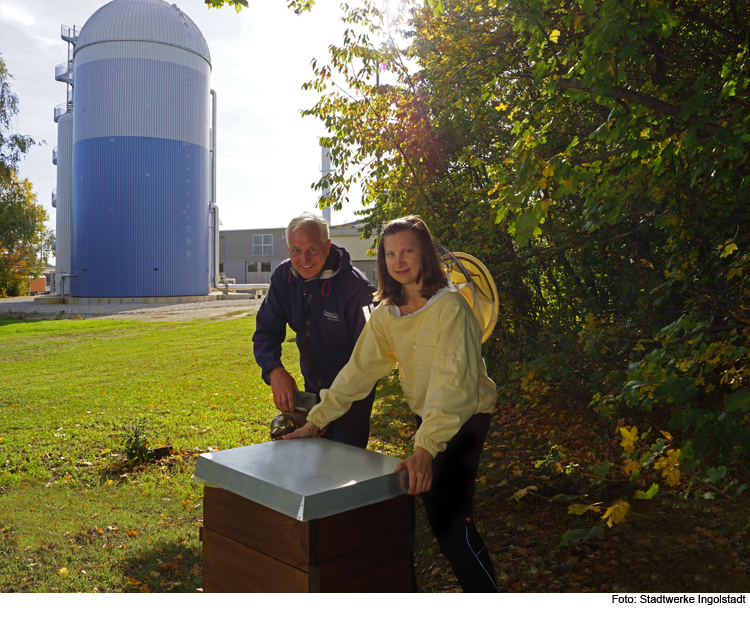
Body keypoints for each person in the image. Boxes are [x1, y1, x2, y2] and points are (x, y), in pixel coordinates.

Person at [285, 215, 499, 592]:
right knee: (433, 513)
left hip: (465, 417)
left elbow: (452, 389)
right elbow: (358, 371)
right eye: (390, 254)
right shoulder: (388, 313)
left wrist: (424, 449)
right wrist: (317, 419)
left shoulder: (451, 309)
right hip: (431, 421)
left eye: (408, 251)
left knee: (451, 523)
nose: (399, 261)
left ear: (425, 254)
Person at [252, 212, 377, 449]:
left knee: (342, 466)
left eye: (312, 249)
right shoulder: (284, 277)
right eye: (296, 250)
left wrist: (330, 407)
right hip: (312, 392)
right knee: (311, 462)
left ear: (327, 246)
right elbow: (266, 330)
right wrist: (273, 369)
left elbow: (369, 362)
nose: (304, 259)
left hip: (351, 397)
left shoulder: (358, 290)